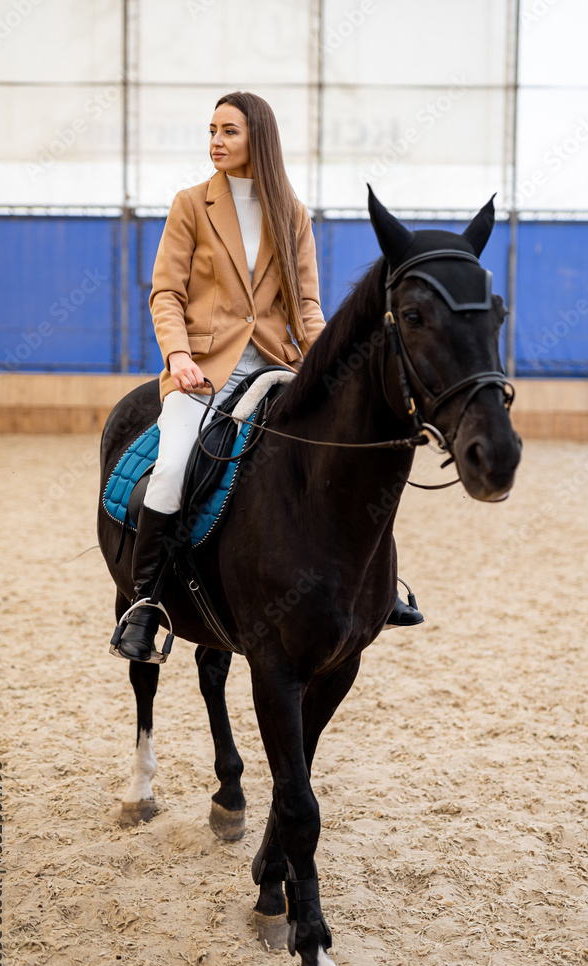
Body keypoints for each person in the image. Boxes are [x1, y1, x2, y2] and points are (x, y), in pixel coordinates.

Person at [115, 91, 422, 662]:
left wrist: (328, 364)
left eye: (228, 131)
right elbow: (166, 292)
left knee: (340, 455)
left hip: (279, 365)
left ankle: (382, 591)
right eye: (211, 130)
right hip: (204, 371)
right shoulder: (190, 205)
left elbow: (306, 306)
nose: (215, 141)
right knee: (174, 467)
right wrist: (178, 355)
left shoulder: (292, 213)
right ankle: (146, 604)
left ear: (258, 137)